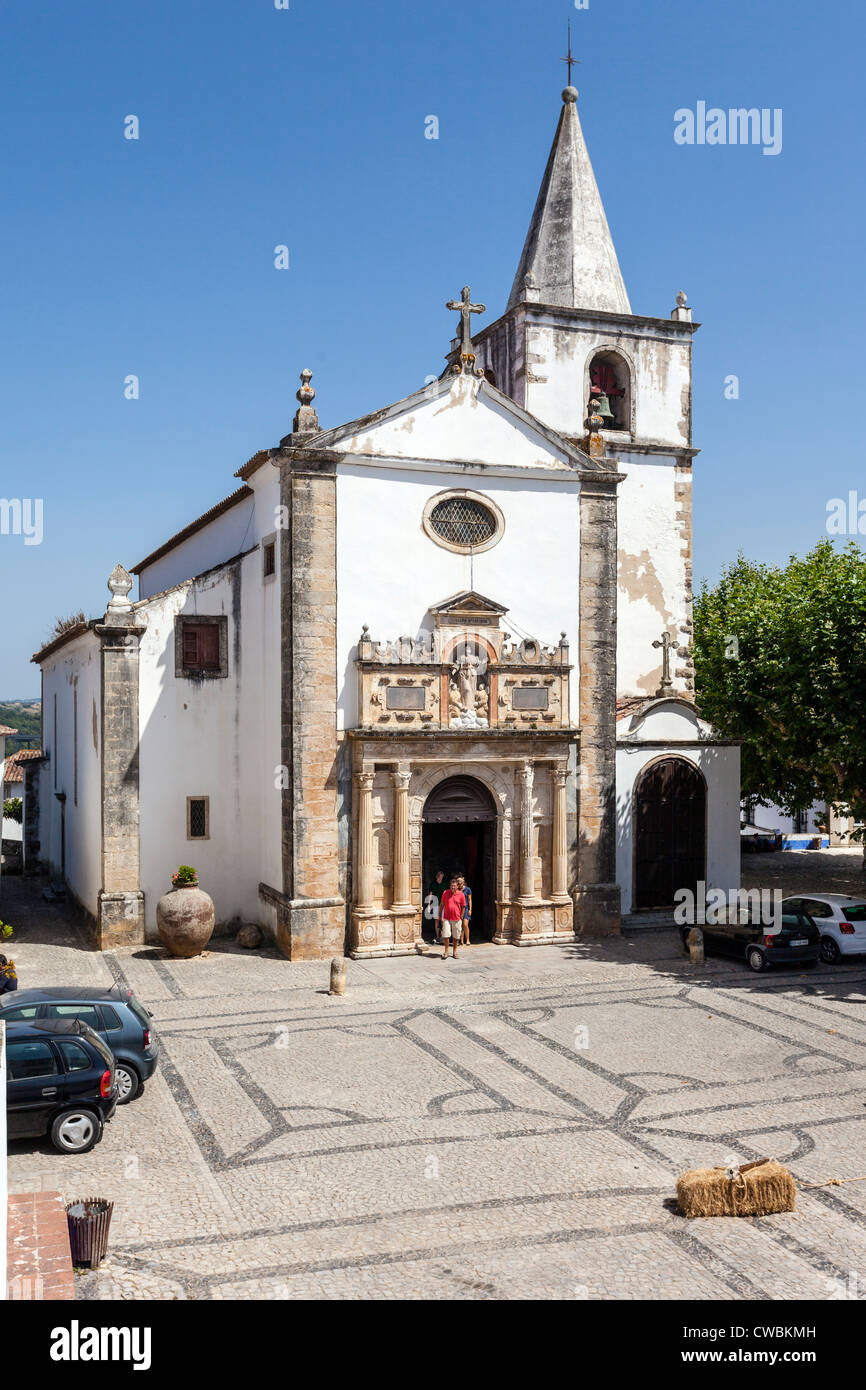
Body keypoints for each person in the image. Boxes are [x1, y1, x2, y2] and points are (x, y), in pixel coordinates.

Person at [438, 878, 465, 960]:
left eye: (454, 886)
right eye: (451, 886)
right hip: (446, 917)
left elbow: (463, 906)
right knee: (445, 935)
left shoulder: (461, 894)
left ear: (457, 886)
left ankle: (454, 952)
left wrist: (462, 915)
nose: (452, 887)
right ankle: (446, 952)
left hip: (457, 918)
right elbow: (442, 904)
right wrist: (440, 915)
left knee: (456, 936)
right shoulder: (445, 893)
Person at [427, 868, 445, 943]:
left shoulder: (445, 883)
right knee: (436, 920)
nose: (440, 878)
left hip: (444, 904)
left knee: (443, 920)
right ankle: (438, 936)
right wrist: (428, 905)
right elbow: (430, 895)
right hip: (435, 904)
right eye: (439, 877)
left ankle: (443, 936)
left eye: (441, 877)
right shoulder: (433, 884)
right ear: (437, 877)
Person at [457, 875, 472, 946]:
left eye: (459, 884)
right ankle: (461, 940)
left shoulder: (468, 889)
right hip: (459, 909)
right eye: (458, 884)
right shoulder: (457, 890)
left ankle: (468, 939)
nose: (458, 885)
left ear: (463, 883)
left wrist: (470, 909)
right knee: (460, 925)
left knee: (465, 924)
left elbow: (469, 900)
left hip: (465, 908)